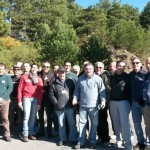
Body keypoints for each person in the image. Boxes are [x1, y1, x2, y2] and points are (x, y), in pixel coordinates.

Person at [73, 63, 106, 149]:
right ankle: (81, 141)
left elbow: (102, 91)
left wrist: (103, 100)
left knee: (94, 124)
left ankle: (92, 141)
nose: (88, 70)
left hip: (94, 106)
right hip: (83, 106)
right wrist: (74, 98)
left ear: (93, 69)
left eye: (90, 69)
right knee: (82, 124)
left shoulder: (98, 79)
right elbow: (77, 90)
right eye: (86, 69)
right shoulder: (80, 79)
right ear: (84, 69)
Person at [49, 67, 78, 146]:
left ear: (65, 73)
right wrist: (56, 103)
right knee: (61, 124)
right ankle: (62, 139)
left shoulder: (71, 81)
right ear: (57, 73)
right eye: (60, 73)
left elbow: (75, 91)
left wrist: (74, 100)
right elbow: (51, 95)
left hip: (69, 106)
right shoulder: (54, 83)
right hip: (59, 107)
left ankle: (73, 138)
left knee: (72, 123)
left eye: (63, 73)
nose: (62, 74)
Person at [109, 61, 132, 150]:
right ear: (116, 66)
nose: (121, 68)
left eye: (123, 66)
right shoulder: (112, 76)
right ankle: (119, 140)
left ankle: (128, 144)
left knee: (125, 123)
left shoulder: (127, 77)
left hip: (124, 102)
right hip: (113, 102)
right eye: (119, 66)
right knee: (115, 123)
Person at [18, 64, 43, 142]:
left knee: (33, 117)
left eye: (36, 68)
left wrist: (39, 103)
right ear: (30, 68)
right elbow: (19, 89)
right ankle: (25, 134)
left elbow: (40, 92)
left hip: (35, 100)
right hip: (26, 98)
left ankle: (31, 133)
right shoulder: (24, 77)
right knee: (26, 116)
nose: (34, 69)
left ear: (37, 69)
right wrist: (19, 101)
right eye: (33, 67)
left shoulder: (39, 79)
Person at [129, 58, 148, 149]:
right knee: (136, 124)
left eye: (137, 62)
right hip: (134, 103)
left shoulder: (146, 73)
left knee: (147, 124)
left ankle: (148, 143)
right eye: (133, 63)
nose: (135, 64)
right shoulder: (131, 74)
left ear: (141, 64)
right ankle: (141, 142)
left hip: (144, 104)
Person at [37, 61, 55, 138]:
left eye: (47, 67)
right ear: (42, 66)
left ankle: (49, 132)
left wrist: (48, 82)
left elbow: (54, 86)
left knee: (49, 116)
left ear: (49, 67)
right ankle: (41, 131)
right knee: (40, 115)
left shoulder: (52, 75)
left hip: (48, 97)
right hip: (40, 97)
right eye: (44, 66)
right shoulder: (38, 74)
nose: (46, 68)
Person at [94, 62, 111, 147]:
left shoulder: (105, 76)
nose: (98, 69)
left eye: (100, 67)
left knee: (103, 121)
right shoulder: (93, 75)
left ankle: (106, 139)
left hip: (102, 102)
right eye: (96, 67)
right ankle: (100, 137)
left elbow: (108, 90)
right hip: (94, 103)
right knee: (97, 121)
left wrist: (106, 102)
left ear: (103, 68)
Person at [0, 63, 13, 142]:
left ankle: (7, 134)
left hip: (5, 101)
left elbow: (10, 88)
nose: (0, 70)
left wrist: (2, 98)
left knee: (5, 118)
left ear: (4, 69)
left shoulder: (7, 77)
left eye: (2, 69)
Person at [9, 64, 23, 137]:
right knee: (10, 117)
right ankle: (10, 132)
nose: (16, 70)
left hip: (19, 100)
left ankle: (20, 132)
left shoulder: (22, 78)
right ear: (13, 70)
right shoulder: (9, 78)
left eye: (18, 69)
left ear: (20, 70)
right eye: (15, 69)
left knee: (20, 117)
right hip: (11, 100)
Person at [142, 57, 150, 150]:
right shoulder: (146, 75)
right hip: (146, 105)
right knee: (148, 126)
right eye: (146, 63)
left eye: (149, 63)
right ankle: (148, 143)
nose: (148, 65)